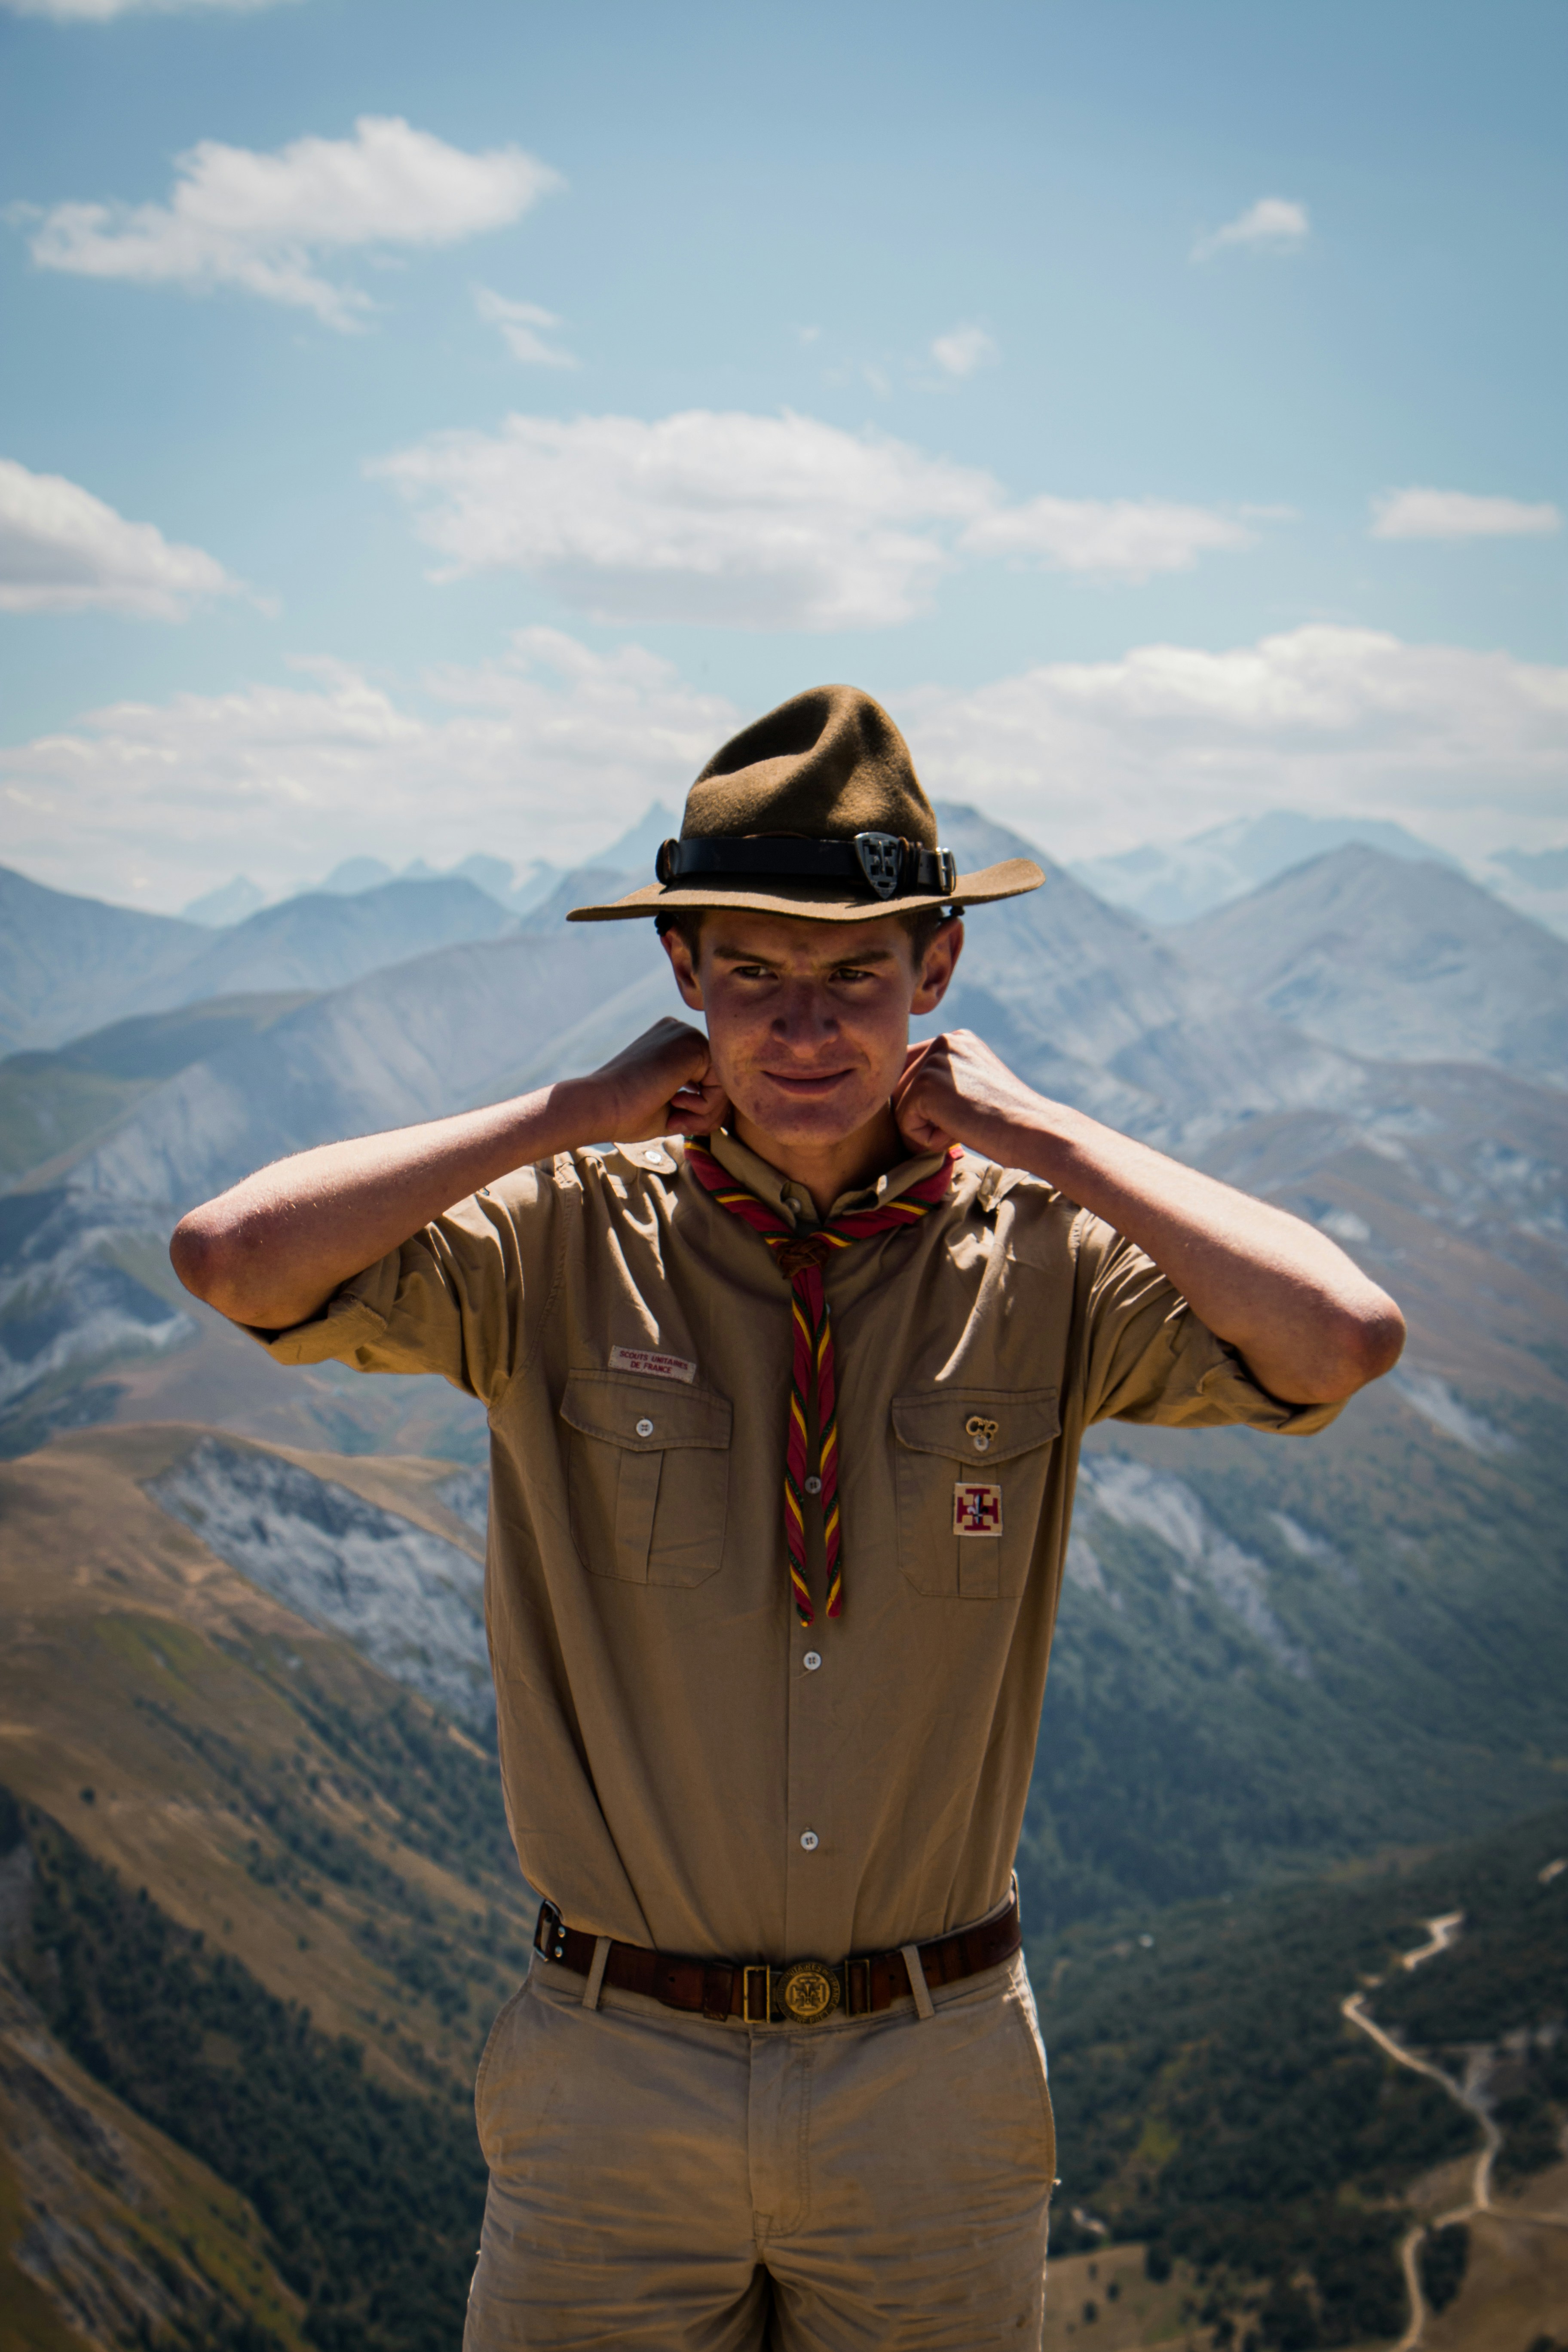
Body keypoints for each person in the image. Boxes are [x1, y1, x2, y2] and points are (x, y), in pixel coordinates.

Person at [171, 685, 1405, 2351]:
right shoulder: (557, 1238)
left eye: (853, 979)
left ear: (939, 974)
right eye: (751, 974)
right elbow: (231, 1259)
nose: (802, 1029)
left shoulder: (1038, 1257)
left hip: (933, 2075)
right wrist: (564, 1114)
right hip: (612, 2075)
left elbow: (1343, 1340)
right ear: (681, 975)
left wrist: (1049, 1136)